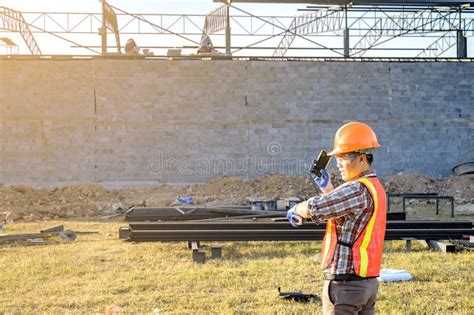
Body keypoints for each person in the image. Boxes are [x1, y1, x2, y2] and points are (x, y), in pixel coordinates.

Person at [287, 121, 386, 315]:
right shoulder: (373, 186)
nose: (338, 163)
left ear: (362, 158)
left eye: (343, 157)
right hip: (366, 285)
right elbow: (345, 217)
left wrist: (297, 209)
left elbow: (318, 207)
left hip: (346, 286)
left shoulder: (356, 189)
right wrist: (328, 188)